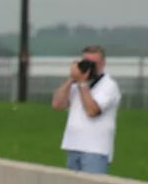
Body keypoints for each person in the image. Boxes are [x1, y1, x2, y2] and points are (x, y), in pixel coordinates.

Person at [50, 44, 122, 175]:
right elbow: (57, 104)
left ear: (103, 64)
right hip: (73, 145)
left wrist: (83, 84)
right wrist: (71, 78)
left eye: (94, 64)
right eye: (86, 63)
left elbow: (92, 111)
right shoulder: (76, 84)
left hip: (95, 149)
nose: (90, 67)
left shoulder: (109, 85)